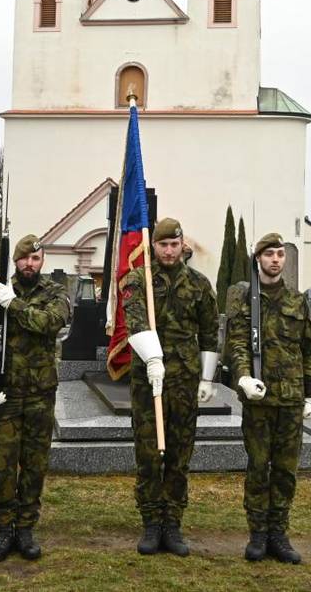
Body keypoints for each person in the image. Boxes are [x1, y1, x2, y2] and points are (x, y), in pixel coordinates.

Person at [0, 234, 71, 562]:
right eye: (25, 258)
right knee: (1, 465)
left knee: (34, 465)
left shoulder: (54, 293)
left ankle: (25, 528)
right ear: (15, 260)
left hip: (40, 395)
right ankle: (3, 528)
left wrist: (14, 304)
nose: (30, 264)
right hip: (5, 394)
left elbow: (50, 323)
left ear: (42, 261)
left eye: (36, 258)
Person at [122, 218, 219, 556]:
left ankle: (173, 523)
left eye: (173, 244)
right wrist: (152, 358)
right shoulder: (138, 280)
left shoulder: (199, 285)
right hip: (148, 382)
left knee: (179, 456)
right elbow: (134, 323)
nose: (168, 250)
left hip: (184, 382)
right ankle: (151, 523)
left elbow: (210, 332)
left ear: (181, 246)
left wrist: (207, 378)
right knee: (148, 455)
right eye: (162, 245)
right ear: (155, 246)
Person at [224, 233, 311, 564]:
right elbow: (235, 343)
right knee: (258, 468)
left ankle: (279, 532)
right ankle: (258, 533)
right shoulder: (244, 298)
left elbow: (309, 350)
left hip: (291, 400)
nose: (276, 259)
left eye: (280, 254)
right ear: (258, 258)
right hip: (259, 400)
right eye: (269, 254)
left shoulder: (297, 301)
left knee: (285, 470)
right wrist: (242, 379)